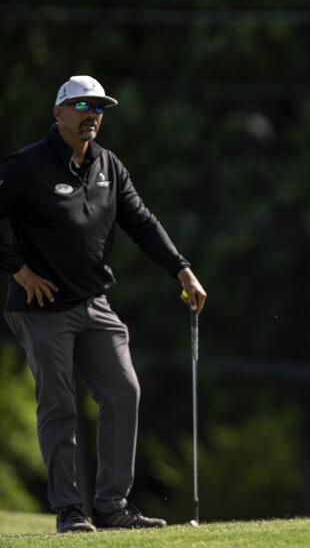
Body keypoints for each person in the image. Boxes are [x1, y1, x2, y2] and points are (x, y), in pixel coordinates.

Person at [0, 75, 207, 533]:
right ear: (59, 113)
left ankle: (112, 507)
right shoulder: (26, 166)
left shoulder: (109, 166)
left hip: (94, 302)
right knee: (60, 405)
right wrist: (18, 268)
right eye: (82, 105)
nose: (92, 114)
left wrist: (182, 269)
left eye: (99, 107)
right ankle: (70, 511)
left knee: (123, 390)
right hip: (42, 307)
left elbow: (143, 223)